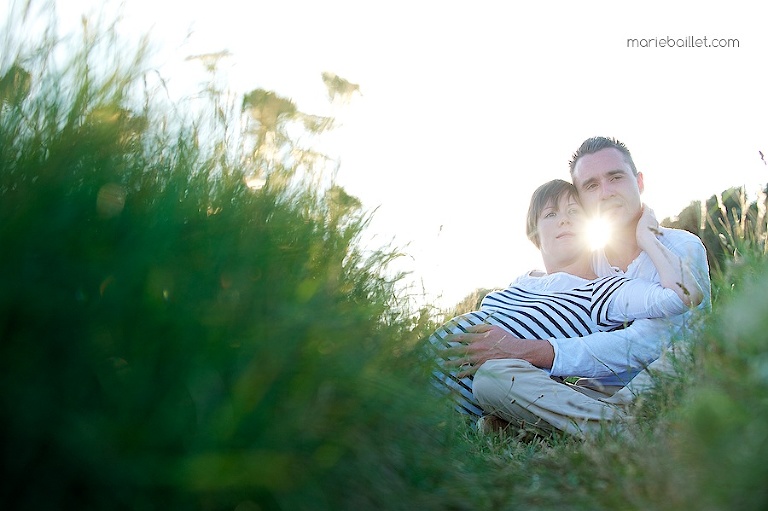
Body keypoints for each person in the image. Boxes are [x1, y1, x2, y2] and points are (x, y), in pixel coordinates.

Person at [444, 137, 711, 436]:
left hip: (667, 381)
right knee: (492, 378)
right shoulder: (589, 263)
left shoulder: (681, 246)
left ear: (639, 182)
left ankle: (606, 432)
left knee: (690, 350)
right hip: (597, 393)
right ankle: (592, 424)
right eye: (591, 186)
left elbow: (644, 345)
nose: (606, 193)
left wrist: (648, 237)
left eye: (616, 178)